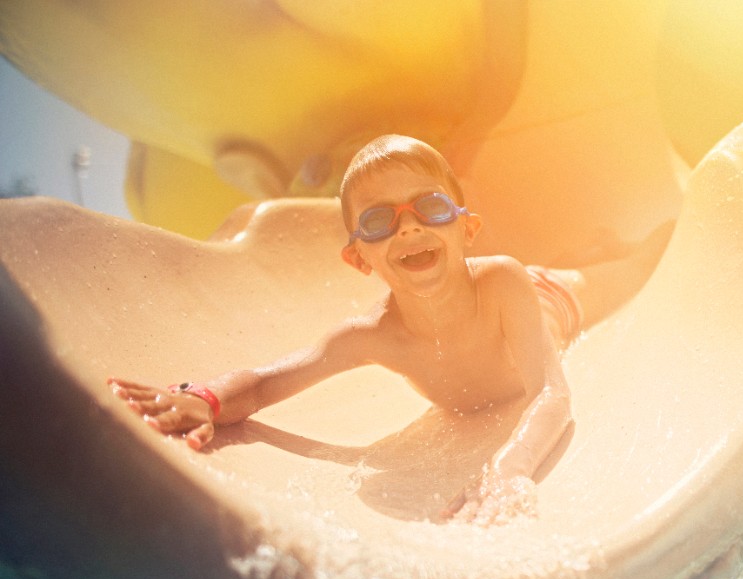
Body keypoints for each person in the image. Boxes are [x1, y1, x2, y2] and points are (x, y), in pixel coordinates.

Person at [109, 134, 668, 519]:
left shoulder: (503, 281)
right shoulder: (371, 335)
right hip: (532, 294)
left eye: (431, 208)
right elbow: (260, 385)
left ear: (466, 228)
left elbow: (549, 391)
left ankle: (634, 242)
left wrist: (509, 468)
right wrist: (204, 399)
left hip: (553, 299)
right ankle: (594, 248)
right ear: (359, 259)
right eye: (379, 220)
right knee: (600, 262)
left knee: (629, 271)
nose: (408, 228)